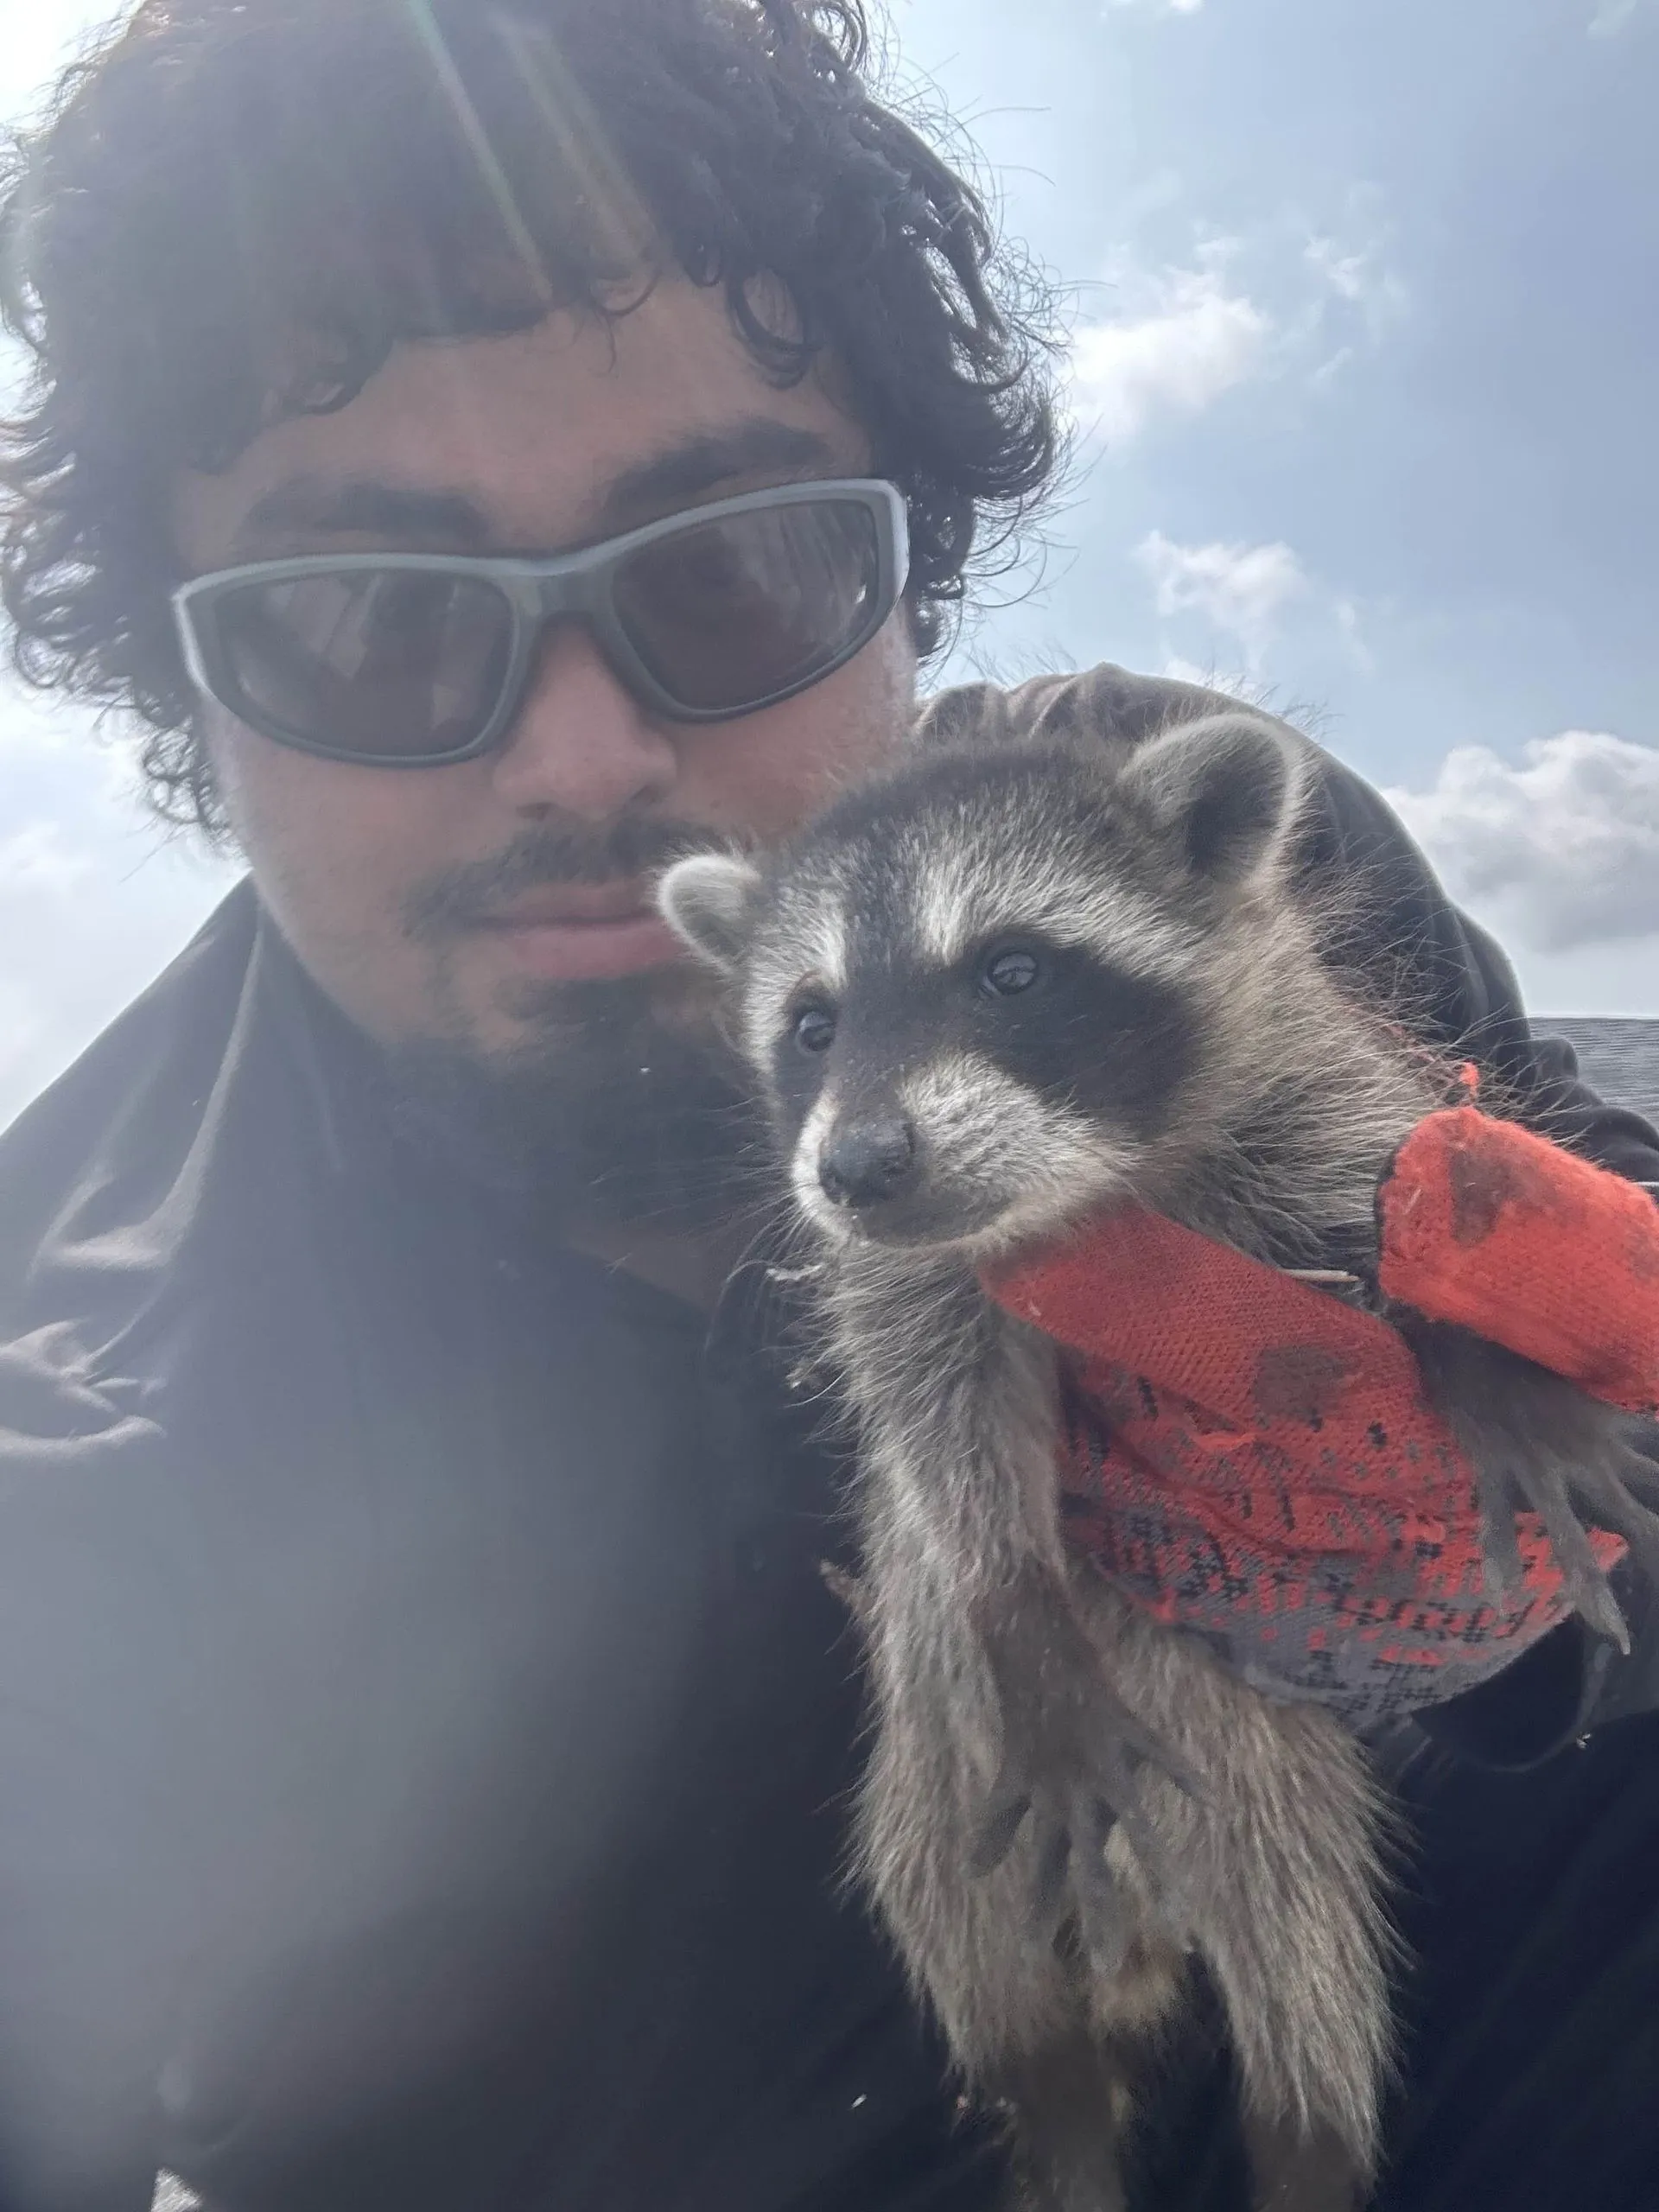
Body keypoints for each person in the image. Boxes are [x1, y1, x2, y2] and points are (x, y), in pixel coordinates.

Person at [0, 3, 1655, 2208]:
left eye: (731, 565)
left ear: (902, 590)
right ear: (192, 700)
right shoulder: (84, 1425)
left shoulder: (1184, 852)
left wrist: (1582, 1496)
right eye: (368, 621)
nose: (581, 757)